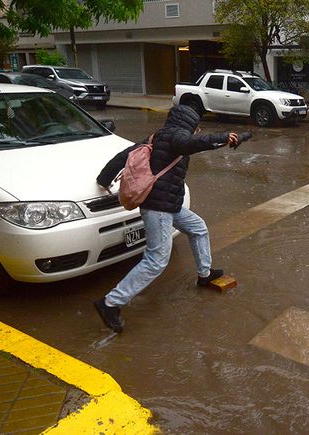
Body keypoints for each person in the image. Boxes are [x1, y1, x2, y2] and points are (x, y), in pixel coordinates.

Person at [93, 105, 239, 333]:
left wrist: (104, 179)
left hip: (170, 204)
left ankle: (204, 274)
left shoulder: (157, 136)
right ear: (188, 125)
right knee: (156, 260)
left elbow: (123, 156)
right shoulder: (177, 137)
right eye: (195, 127)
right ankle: (111, 302)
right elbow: (193, 143)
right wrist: (222, 137)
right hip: (159, 208)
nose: (196, 131)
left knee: (198, 227)